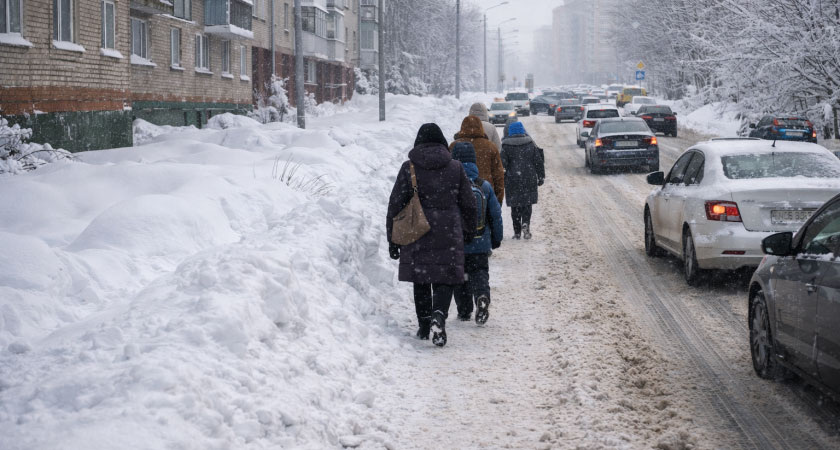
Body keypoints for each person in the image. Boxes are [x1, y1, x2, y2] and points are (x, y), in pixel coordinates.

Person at [386, 123, 477, 347]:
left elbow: (395, 204)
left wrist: (393, 238)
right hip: (449, 231)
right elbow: (469, 203)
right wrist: (469, 230)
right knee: (445, 278)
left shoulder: (409, 168)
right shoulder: (455, 167)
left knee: (421, 279)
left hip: (418, 231)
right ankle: (439, 314)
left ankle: (425, 324)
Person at [451, 142, 503, 324]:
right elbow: (495, 216)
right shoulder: (485, 186)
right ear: (474, 161)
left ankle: (464, 310)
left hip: (457, 244)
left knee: (461, 277)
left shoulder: (451, 186)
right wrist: (496, 238)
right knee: (480, 272)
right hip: (480, 243)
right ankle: (482, 295)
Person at [500, 121, 545, 240]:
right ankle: (526, 223)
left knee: (515, 206)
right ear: (523, 130)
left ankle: (517, 232)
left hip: (512, 178)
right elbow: (538, 162)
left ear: (510, 132)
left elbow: (502, 165)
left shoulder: (505, 145)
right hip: (529, 177)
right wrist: (541, 176)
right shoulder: (530, 143)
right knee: (527, 203)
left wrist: (502, 178)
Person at [450, 115, 506, 204]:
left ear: (462, 127)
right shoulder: (490, 146)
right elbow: (498, 176)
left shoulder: (454, 146)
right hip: (486, 197)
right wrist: (497, 201)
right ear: (481, 127)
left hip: (460, 198)